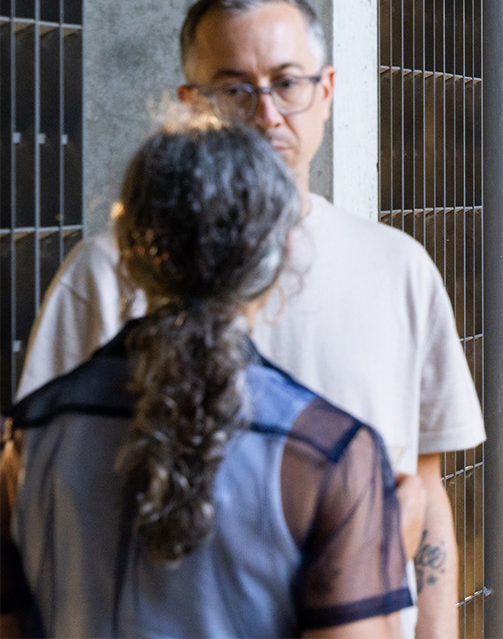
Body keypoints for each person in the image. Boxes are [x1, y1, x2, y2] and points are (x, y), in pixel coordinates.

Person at [14, 0, 483, 637]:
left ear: (326, 90)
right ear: (190, 105)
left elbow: (426, 494)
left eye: (287, 82)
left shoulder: (399, 267)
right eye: (235, 88)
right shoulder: (100, 272)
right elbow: (34, 481)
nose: (266, 114)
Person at [1, 114, 411, 637]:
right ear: (280, 254)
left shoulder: (24, 441)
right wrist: (401, 529)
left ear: (126, 248)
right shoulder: (327, 456)